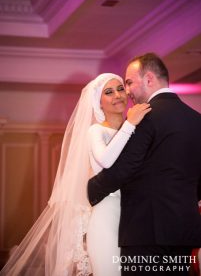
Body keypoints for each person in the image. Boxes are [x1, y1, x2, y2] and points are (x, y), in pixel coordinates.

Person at [0, 73, 150, 276]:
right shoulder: (96, 131)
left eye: (120, 89)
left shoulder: (134, 132)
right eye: (109, 92)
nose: (117, 95)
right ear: (99, 103)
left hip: (133, 218)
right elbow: (106, 160)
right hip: (107, 217)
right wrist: (130, 124)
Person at [87, 53, 201, 275]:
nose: (126, 91)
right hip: (184, 231)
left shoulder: (144, 117)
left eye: (128, 82)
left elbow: (124, 168)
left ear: (149, 79)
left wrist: (92, 189)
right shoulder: (197, 120)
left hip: (146, 231)